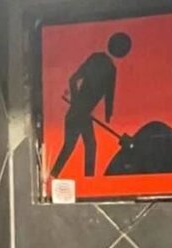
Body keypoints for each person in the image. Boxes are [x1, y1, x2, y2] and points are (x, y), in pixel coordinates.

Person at [51, 32, 133, 178]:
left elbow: (109, 96)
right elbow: (73, 80)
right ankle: (56, 176)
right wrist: (77, 104)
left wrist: (108, 115)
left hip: (84, 114)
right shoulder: (97, 60)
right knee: (74, 146)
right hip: (77, 114)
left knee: (88, 146)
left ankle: (85, 179)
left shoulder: (110, 68)